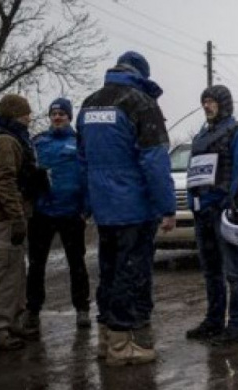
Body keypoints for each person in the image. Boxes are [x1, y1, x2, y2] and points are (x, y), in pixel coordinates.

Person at [77, 51, 176, 366]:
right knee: (129, 273)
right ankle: (122, 345)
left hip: (104, 209)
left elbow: (83, 161)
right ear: (142, 75)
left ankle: (106, 339)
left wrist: (87, 203)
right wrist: (167, 207)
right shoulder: (141, 104)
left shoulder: (89, 104)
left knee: (108, 270)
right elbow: (155, 162)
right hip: (133, 207)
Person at [185, 85, 238, 346]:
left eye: (211, 101)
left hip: (225, 213)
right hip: (202, 213)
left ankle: (237, 327)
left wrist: (234, 205)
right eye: (204, 101)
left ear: (223, 103)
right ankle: (214, 322)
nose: (206, 105)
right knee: (211, 272)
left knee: (235, 272)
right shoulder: (201, 137)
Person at [0, 94, 46, 350]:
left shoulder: (9, 137)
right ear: (16, 114)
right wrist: (16, 217)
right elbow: (4, 182)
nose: (29, 117)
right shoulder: (5, 141)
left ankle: (11, 322)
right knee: (5, 274)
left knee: (15, 272)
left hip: (8, 216)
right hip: (4, 218)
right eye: (26, 113)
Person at [24, 98, 91, 332]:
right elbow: (26, 172)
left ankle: (82, 309)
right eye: (54, 113)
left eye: (62, 113)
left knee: (77, 263)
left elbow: (88, 176)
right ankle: (32, 311)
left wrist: (86, 208)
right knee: (36, 264)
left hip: (71, 212)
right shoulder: (38, 142)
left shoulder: (79, 142)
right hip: (42, 212)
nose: (58, 117)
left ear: (69, 116)